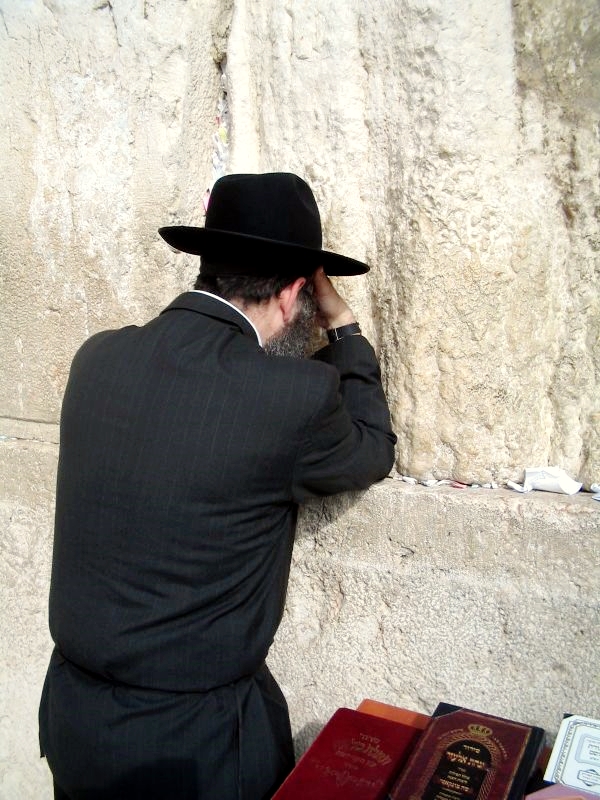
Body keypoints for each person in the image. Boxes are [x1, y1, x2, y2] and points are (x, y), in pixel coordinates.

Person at [39, 172, 397, 800]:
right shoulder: (294, 398)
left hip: (75, 724)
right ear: (292, 296)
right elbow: (371, 448)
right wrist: (343, 328)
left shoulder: (96, 358)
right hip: (195, 751)